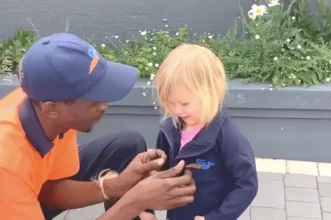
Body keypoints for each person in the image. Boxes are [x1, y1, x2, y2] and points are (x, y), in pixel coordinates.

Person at [0, 33, 196, 220]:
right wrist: (134, 202)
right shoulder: (6, 166)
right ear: (52, 108)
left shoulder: (50, 112)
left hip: (25, 192)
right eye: (94, 101)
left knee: (126, 146)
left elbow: (49, 191)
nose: (105, 105)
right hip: (9, 196)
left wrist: (118, 186)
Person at [153, 43, 259, 220]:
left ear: (210, 93)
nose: (177, 111)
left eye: (184, 104)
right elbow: (156, 174)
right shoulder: (169, 130)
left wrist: (218, 217)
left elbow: (246, 184)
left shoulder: (228, 137)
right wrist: (145, 208)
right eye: (171, 103)